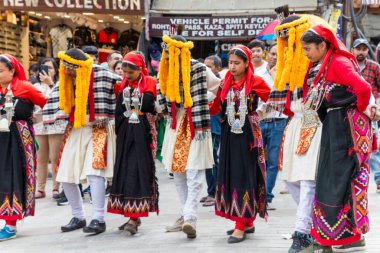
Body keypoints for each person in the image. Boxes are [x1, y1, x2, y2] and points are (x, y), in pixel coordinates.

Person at [301, 25, 377, 252]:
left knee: (334, 181)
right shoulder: (325, 64)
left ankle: (326, 241)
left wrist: (363, 110)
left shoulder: (338, 63)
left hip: (346, 131)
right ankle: (350, 236)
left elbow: (363, 89)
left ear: (322, 45)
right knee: (339, 181)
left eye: (308, 48)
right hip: (338, 127)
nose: (306, 53)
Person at [268, 15, 323, 253]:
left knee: (309, 180)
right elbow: (277, 98)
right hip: (294, 123)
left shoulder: (320, 63)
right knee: (290, 179)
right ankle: (312, 225)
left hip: (314, 121)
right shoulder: (286, 68)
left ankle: (302, 232)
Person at [158, 28, 219, 239]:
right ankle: (186, 216)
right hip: (175, 124)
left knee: (194, 171)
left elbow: (216, 86)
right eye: (165, 54)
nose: (165, 57)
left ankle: (190, 216)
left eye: (168, 53)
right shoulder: (165, 70)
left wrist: (202, 100)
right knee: (178, 173)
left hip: (196, 123)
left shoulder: (200, 68)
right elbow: (161, 96)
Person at [55, 48, 121, 235]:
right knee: (65, 175)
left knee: (95, 173)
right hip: (76, 127)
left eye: (69, 67)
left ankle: (98, 219)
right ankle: (78, 216)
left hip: (100, 127)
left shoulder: (102, 74)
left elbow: (122, 85)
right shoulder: (67, 78)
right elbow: (52, 100)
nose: (66, 71)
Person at [214, 45, 270, 244]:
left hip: (248, 136)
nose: (233, 67)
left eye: (237, 63)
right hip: (229, 134)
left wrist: (261, 114)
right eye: (230, 63)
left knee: (244, 174)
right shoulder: (225, 83)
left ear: (247, 64)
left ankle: (241, 224)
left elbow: (272, 100)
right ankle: (246, 221)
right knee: (231, 172)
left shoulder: (256, 82)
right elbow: (215, 108)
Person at [107, 51, 159, 235]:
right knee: (125, 170)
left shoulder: (150, 83)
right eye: (124, 72)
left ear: (140, 69)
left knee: (137, 171)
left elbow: (149, 106)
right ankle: (129, 212)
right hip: (126, 135)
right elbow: (119, 111)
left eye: (130, 72)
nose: (127, 76)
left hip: (142, 135)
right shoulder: (123, 86)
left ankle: (135, 216)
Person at [0, 54, 47, 241]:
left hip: (19, 138)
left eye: (1, 71)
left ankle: (11, 223)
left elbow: (49, 104)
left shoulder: (25, 88)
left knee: (14, 176)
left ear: (12, 71)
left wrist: (37, 119)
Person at [255, 40, 288, 210]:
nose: (276, 57)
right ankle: (256, 193)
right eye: (273, 54)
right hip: (260, 121)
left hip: (278, 121)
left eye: (279, 54)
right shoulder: (258, 73)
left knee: (273, 162)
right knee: (257, 159)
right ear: (267, 54)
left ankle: (266, 197)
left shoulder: (286, 74)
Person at [34, 58, 67, 200]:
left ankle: (56, 187)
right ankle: (40, 189)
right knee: (41, 159)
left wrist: (51, 84)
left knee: (55, 158)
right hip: (40, 124)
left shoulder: (60, 84)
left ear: (56, 70)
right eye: (45, 67)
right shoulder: (34, 86)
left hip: (56, 124)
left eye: (51, 68)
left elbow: (62, 100)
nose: (48, 70)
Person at [351, 38, 380, 193]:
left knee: (373, 146)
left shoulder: (374, 67)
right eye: (358, 49)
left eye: (364, 49)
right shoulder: (349, 67)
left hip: (370, 112)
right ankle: (354, 176)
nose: (361, 52)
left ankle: (378, 178)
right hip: (351, 113)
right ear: (353, 50)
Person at [201, 55, 223, 207]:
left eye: (209, 67)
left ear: (218, 68)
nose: (206, 69)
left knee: (212, 161)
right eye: (204, 66)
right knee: (207, 160)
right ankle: (211, 190)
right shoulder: (202, 83)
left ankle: (213, 192)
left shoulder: (221, 84)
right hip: (204, 126)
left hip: (215, 127)